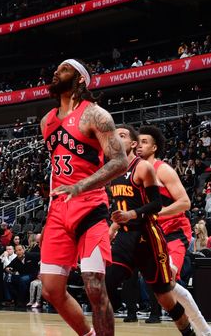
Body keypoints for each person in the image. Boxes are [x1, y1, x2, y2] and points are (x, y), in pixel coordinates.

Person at [39, 59, 129, 336]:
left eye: (64, 69)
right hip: (58, 210)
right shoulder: (46, 121)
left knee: (93, 283)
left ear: (80, 79)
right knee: (51, 289)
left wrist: (79, 187)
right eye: (56, 68)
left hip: (90, 206)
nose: (56, 72)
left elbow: (120, 162)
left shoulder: (96, 115)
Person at [105, 125, 196, 336]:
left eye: (123, 135)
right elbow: (123, 205)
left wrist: (136, 215)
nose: (117, 139)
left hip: (160, 234)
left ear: (134, 144)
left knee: (166, 293)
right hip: (128, 235)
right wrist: (114, 225)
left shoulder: (153, 168)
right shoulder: (114, 169)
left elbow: (176, 203)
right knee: (106, 283)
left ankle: (193, 331)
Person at [139, 125, 211, 335]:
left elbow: (185, 202)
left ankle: (205, 331)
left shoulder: (162, 169)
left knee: (169, 278)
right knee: (163, 286)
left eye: (144, 142)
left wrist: (157, 214)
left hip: (175, 232)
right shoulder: (136, 172)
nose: (139, 146)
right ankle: (205, 331)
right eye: (138, 142)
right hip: (154, 235)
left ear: (154, 147)